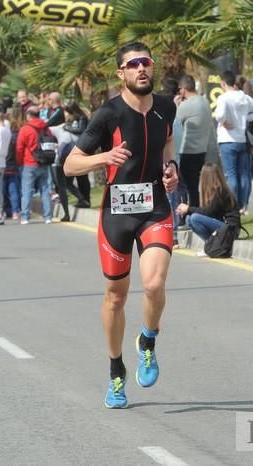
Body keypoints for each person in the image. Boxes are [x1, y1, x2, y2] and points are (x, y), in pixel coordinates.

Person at [64, 42, 178, 409]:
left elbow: (168, 141)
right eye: (133, 65)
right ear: (121, 73)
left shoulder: (166, 107)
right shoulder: (107, 114)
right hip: (117, 213)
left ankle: (147, 340)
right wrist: (104, 158)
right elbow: (70, 165)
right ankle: (116, 370)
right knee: (116, 295)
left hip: (155, 206)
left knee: (156, 282)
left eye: (146, 62)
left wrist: (171, 167)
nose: (141, 69)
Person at [215, 70, 253, 214]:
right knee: (244, 174)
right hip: (241, 139)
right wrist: (246, 119)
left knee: (231, 174)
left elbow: (219, 115)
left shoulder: (223, 98)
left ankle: (233, 205)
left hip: (227, 140)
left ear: (223, 83)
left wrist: (223, 121)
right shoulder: (244, 97)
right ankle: (243, 205)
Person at [175, 162, 238, 254]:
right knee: (189, 219)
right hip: (223, 226)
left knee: (195, 218)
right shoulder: (216, 191)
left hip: (229, 229)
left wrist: (188, 209)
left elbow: (208, 212)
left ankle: (210, 245)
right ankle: (211, 244)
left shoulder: (220, 191)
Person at [176, 75, 212, 207]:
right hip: (201, 150)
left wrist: (176, 105)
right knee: (196, 186)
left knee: (189, 187)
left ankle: (191, 214)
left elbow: (174, 121)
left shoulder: (186, 105)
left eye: (179, 89)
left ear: (184, 89)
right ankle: (197, 211)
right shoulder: (204, 101)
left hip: (187, 151)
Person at [17, 105, 53, 224]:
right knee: (45, 189)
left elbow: (19, 148)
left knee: (27, 190)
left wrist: (19, 162)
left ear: (28, 115)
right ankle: (48, 217)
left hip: (29, 163)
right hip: (44, 162)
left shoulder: (25, 129)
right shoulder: (46, 128)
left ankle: (25, 217)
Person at [63, 102, 91, 208]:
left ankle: (86, 199)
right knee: (80, 177)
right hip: (77, 148)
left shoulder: (82, 118)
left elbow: (81, 130)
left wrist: (68, 128)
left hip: (83, 149)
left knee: (83, 177)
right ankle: (83, 200)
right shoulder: (76, 118)